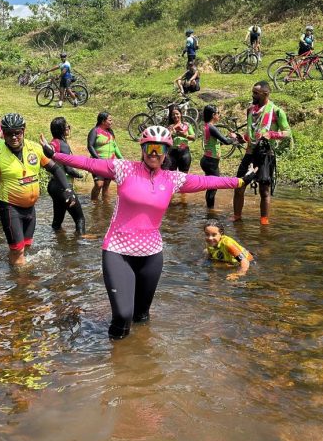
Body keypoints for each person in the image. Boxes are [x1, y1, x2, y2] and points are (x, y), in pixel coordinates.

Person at [41, 125, 257, 339]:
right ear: (143, 149)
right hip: (118, 251)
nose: (154, 154)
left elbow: (206, 181)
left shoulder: (172, 179)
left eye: (160, 149)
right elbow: (89, 163)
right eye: (150, 148)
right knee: (122, 315)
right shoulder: (123, 169)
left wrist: (239, 181)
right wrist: (56, 155)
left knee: (142, 316)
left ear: (166, 153)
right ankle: (118, 366)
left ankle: (141, 359)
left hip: (151, 255)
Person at [0, 113, 74, 266]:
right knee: (17, 250)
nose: (14, 137)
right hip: (9, 207)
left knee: (26, 246)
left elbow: (55, 169)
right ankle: (23, 285)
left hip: (30, 209)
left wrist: (68, 189)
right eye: (9, 133)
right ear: (3, 133)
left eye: (17, 133)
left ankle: (14, 273)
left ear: (23, 131)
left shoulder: (34, 148)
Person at [233, 81, 291, 225]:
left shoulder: (277, 111)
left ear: (266, 94)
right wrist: (242, 138)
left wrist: (272, 134)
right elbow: (250, 133)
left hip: (266, 154)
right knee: (239, 185)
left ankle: (264, 220)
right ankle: (236, 217)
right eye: (252, 92)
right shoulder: (250, 110)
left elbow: (288, 132)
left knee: (264, 190)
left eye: (255, 93)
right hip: (250, 153)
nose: (253, 95)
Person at [47, 116, 85, 234]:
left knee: (57, 222)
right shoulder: (63, 145)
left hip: (53, 185)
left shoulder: (52, 143)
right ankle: (81, 243)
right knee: (80, 219)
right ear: (62, 130)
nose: (68, 128)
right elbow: (68, 169)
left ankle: (58, 245)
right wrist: (81, 175)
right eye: (67, 126)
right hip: (63, 187)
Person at [200, 105, 242, 210]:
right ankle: (210, 210)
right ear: (213, 115)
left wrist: (229, 138)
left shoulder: (207, 126)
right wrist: (235, 139)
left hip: (207, 160)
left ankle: (209, 208)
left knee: (211, 187)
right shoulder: (212, 127)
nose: (219, 115)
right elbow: (227, 142)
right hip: (211, 162)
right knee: (213, 187)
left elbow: (217, 142)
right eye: (218, 113)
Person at [87, 112, 123, 201]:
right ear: (103, 121)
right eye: (110, 120)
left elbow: (115, 147)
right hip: (97, 162)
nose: (112, 122)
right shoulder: (95, 131)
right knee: (99, 184)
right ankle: (94, 204)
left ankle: (106, 206)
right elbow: (90, 146)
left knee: (106, 186)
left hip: (110, 163)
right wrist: (98, 159)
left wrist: (121, 159)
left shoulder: (110, 132)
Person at [166, 104, 196, 173]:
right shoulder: (170, 127)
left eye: (177, 114)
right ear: (171, 116)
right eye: (173, 115)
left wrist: (186, 135)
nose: (175, 116)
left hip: (184, 152)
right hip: (172, 153)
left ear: (181, 114)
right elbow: (166, 139)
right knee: (171, 175)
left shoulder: (187, 125)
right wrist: (173, 131)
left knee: (184, 176)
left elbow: (193, 137)